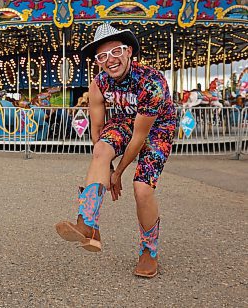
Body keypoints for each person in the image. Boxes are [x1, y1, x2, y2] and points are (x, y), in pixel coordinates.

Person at [55, 23, 176, 278]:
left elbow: (141, 136)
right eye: (102, 56)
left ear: (129, 51)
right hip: (122, 123)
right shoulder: (98, 84)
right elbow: (97, 127)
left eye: (116, 51)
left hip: (157, 129)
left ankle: (148, 251)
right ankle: (88, 225)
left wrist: (118, 173)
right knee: (100, 148)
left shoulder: (151, 81)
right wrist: (107, 164)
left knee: (142, 189)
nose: (110, 60)